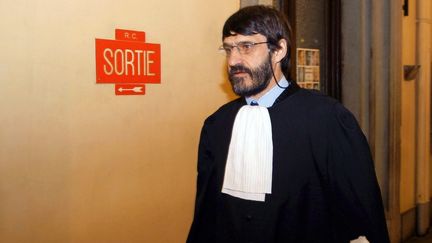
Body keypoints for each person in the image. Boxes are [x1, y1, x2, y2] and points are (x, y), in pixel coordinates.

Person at [187, 5, 390, 243]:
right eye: (229, 48)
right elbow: (206, 215)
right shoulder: (217, 125)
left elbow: (360, 214)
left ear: (279, 50)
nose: (233, 60)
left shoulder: (327, 119)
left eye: (246, 47)